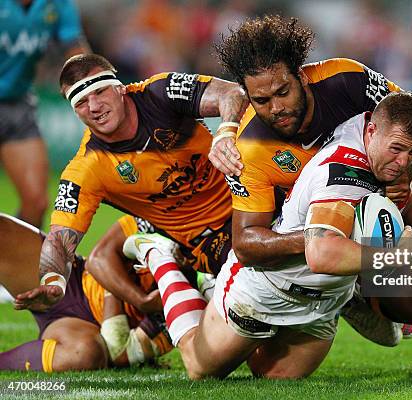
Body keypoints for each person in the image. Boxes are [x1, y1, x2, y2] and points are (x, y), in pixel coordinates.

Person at [210, 15, 412, 376]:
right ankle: (348, 291)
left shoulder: (346, 79)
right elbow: (247, 242)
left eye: (283, 91)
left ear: (301, 74)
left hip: (380, 171)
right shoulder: (247, 144)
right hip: (316, 209)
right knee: (399, 301)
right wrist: (325, 241)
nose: (275, 107)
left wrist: (403, 177)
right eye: (262, 100)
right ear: (247, 97)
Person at [121, 91, 412, 379]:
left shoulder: (376, 141)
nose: (404, 162)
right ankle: (161, 256)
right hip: (269, 289)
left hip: (324, 301)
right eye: (397, 149)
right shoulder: (342, 176)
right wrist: (396, 256)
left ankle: (347, 298)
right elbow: (321, 255)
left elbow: (403, 207)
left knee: (274, 376)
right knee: (201, 367)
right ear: (372, 131)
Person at [13, 54, 248, 373]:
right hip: (202, 250)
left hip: (247, 210)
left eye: (98, 92)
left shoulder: (160, 92)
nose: (93, 107)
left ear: (120, 88)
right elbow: (60, 240)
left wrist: (225, 132)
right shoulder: (88, 167)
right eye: (80, 102)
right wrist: (54, 282)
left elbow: (233, 93)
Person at [0, 213, 173, 372]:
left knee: (86, 355)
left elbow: (120, 352)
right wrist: (140, 300)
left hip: (86, 328)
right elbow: (98, 259)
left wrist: (115, 278)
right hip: (73, 278)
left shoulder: (190, 297)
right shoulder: (161, 214)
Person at [0, 0, 90, 228]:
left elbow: (75, 51)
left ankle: (10, 261)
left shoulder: (57, 5)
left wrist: (93, 84)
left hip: (18, 103)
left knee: (36, 202)